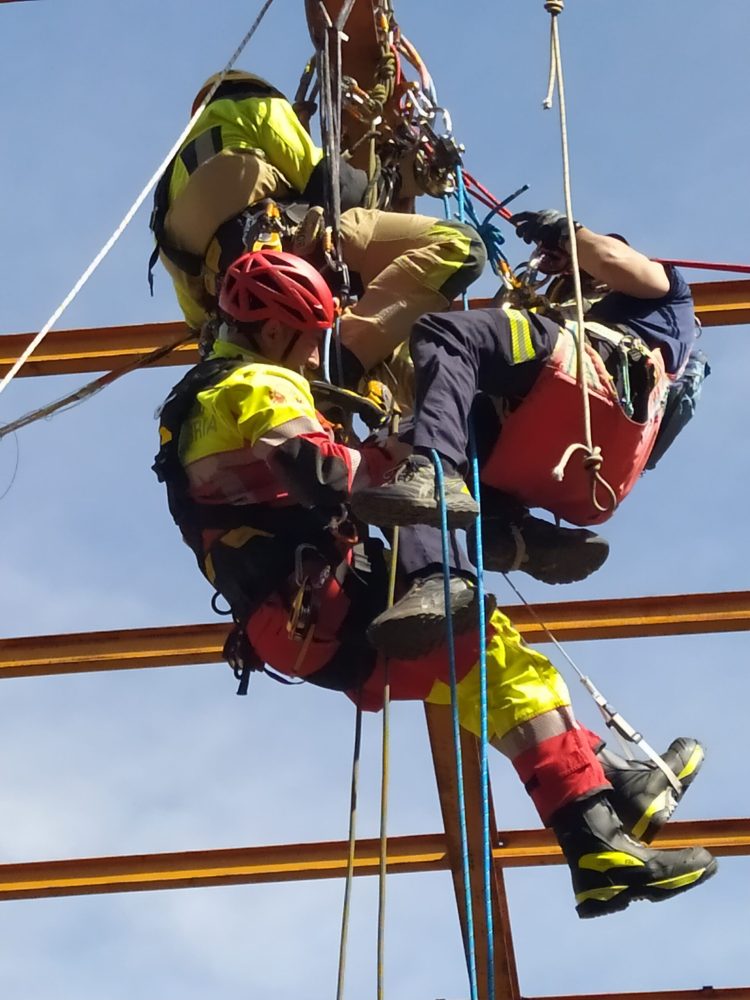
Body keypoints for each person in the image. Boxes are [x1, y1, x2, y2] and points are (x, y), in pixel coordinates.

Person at [153, 247, 716, 918]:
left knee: (495, 662)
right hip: (327, 606)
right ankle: (595, 844)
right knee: (498, 662)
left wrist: (401, 450)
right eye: (307, 342)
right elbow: (322, 473)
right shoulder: (256, 387)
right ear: (274, 332)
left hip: (305, 619)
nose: (311, 358)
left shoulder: (202, 403)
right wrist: (428, 474)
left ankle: (614, 783)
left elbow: (306, 480)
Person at [351, 209, 705, 586]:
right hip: (586, 464)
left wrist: (567, 233)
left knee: (448, 335)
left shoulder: (670, 295)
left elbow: (610, 258)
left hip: (589, 380)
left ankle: (437, 473)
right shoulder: (591, 321)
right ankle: (459, 567)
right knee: (400, 449)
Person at [149, 69, 486, 401]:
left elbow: (196, 312)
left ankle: (358, 367)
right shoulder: (248, 106)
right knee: (459, 245)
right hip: (302, 255)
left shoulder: (166, 199)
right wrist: (395, 182)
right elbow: (333, 185)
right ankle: (350, 357)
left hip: (251, 317)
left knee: (378, 357)